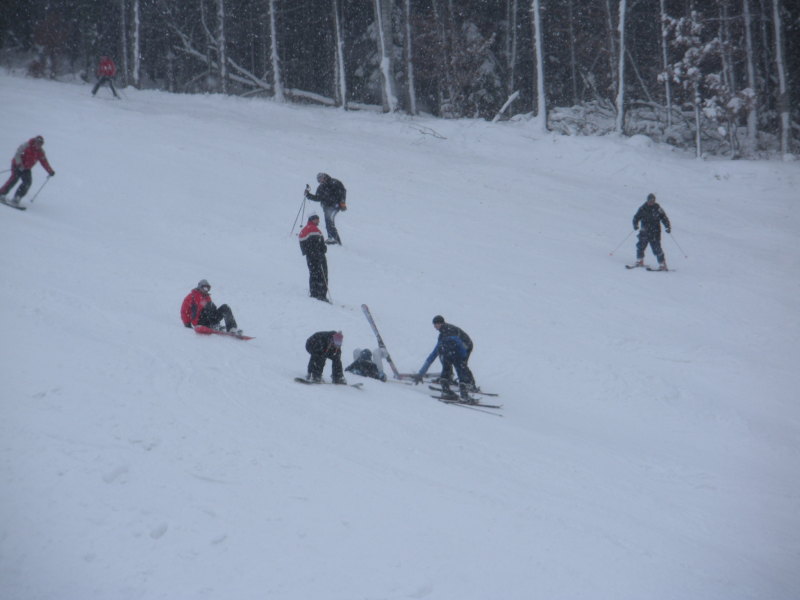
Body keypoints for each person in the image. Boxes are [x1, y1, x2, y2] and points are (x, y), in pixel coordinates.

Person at [414, 315, 477, 401]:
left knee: (461, 367)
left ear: (441, 323)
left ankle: (469, 385)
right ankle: (447, 389)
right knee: (447, 365)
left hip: (466, 346)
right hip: (453, 350)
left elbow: (460, 345)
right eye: (434, 325)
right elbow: (433, 355)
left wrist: (463, 357)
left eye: (436, 325)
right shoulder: (442, 337)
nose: (435, 327)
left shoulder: (450, 332)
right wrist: (421, 373)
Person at [0, 136, 55, 206]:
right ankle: (2, 193)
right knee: (14, 178)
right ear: (35, 142)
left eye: (41, 144)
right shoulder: (27, 145)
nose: (39, 145)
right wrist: (19, 164)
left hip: (26, 168)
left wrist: (50, 171)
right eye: (38, 143)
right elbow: (18, 153)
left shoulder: (40, 152)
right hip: (17, 165)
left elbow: (44, 162)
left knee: (27, 182)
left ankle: (17, 197)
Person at [304, 172, 347, 245]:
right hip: (327, 208)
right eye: (319, 180)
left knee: (329, 221)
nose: (320, 181)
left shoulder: (334, 182)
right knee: (328, 222)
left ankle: (334, 239)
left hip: (335, 206)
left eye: (321, 178)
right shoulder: (321, 188)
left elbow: (342, 191)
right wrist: (308, 195)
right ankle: (332, 238)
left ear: (324, 176)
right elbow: (318, 198)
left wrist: (342, 203)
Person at [632, 193, 671, 271]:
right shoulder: (643, 208)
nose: (651, 202)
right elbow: (636, 217)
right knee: (640, 246)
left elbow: (664, 218)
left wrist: (667, 226)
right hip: (644, 231)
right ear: (647, 200)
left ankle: (662, 264)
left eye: (653, 201)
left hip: (655, 232)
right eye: (650, 201)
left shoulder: (658, 208)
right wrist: (635, 225)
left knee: (657, 248)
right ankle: (640, 260)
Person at [298, 214, 329, 301]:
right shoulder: (314, 229)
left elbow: (303, 244)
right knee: (322, 274)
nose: (318, 221)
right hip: (318, 256)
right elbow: (319, 244)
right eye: (317, 220)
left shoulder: (304, 230)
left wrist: (308, 252)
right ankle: (322, 295)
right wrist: (322, 250)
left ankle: (314, 293)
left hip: (310, 257)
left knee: (313, 274)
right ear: (313, 220)